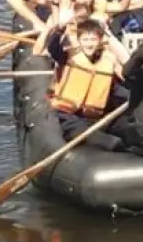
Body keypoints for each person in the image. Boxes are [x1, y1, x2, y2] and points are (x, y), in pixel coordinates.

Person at [34, 14, 130, 149]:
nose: (89, 44)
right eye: (85, 39)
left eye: (93, 40)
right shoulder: (68, 56)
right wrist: (60, 29)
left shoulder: (107, 60)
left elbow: (115, 89)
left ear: (100, 41)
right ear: (78, 40)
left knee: (129, 130)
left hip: (94, 118)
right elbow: (53, 47)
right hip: (68, 117)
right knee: (112, 143)